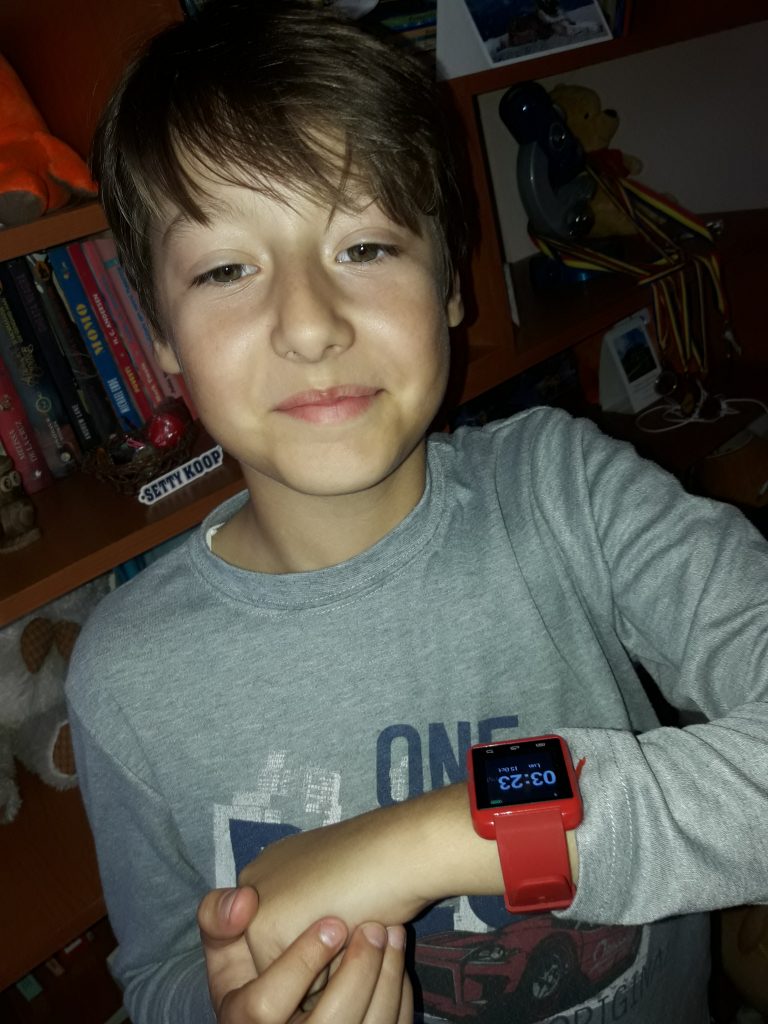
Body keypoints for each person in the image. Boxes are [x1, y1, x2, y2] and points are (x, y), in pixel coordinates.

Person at [65, 1, 768, 1022]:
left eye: (365, 247)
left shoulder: (568, 491)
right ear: (160, 335)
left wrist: (437, 838)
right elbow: (162, 971)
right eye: (226, 269)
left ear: (450, 282)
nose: (309, 326)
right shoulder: (125, 676)